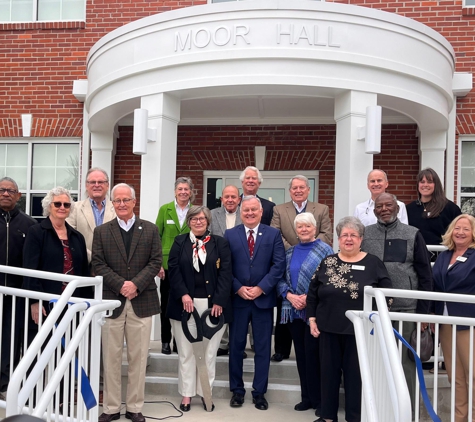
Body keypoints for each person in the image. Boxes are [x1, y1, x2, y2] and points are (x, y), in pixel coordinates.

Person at [307, 216, 392, 422]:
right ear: (338, 239)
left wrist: (377, 320)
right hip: (328, 328)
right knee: (328, 375)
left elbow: (387, 294)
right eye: (344, 235)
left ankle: (354, 417)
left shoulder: (373, 263)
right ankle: (327, 416)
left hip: (360, 331)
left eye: (353, 235)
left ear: (361, 239)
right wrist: (311, 319)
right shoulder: (328, 262)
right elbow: (312, 293)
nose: (348, 239)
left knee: (355, 376)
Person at [92, 183, 162, 422]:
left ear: (134, 202)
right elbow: (98, 265)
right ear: (112, 203)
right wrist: (122, 284)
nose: (121, 204)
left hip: (142, 301)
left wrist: (135, 284)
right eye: (117, 200)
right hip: (112, 301)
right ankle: (111, 408)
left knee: (138, 357)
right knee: (110, 358)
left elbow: (155, 262)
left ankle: (134, 407)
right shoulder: (102, 231)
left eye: (126, 200)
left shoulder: (151, 229)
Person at [361, 192, 433, 416]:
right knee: (376, 365)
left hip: (406, 310)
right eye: (379, 206)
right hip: (373, 312)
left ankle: (407, 414)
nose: (384, 209)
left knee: (406, 366)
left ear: (397, 207)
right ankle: (381, 412)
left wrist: (422, 314)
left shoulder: (413, 234)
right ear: (374, 211)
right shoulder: (366, 234)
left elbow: (425, 274)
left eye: (388, 205)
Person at [167, 206, 232, 412]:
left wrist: (220, 301)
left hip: (213, 307)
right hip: (184, 305)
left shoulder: (220, 243)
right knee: (186, 352)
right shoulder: (179, 242)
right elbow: (174, 270)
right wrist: (183, 294)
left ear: (208, 221)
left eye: (202, 218)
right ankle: (187, 394)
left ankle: (206, 392)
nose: (198, 222)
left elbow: (226, 274)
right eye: (194, 218)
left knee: (209, 353)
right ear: (188, 221)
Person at [224, 196, 285, 411]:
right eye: (246, 210)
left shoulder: (273, 233)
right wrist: (238, 287)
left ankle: (259, 393)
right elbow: (225, 266)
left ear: (261, 212)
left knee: (262, 348)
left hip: (263, 300)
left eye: (253, 210)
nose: (249, 213)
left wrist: (261, 288)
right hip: (238, 299)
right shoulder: (230, 234)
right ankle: (237, 391)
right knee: (236, 346)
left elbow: (278, 265)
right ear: (241, 213)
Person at [276, 212, 333, 417]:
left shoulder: (325, 250)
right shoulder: (289, 252)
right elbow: (280, 278)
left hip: (314, 312)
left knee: (315, 356)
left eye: (307, 226)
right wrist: (290, 296)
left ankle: (319, 400)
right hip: (293, 311)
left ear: (315, 228)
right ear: (296, 229)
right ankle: (306, 398)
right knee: (301, 355)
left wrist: (307, 297)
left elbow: (329, 279)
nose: (304, 230)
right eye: (300, 227)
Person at [271, 174, 333, 362]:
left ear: (308, 189)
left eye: (301, 187)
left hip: (313, 256)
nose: (298, 191)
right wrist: (295, 250)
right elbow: (275, 234)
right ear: (290, 191)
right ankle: (281, 349)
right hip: (289, 256)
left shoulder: (321, 209)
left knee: (312, 351)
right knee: (287, 315)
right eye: (294, 188)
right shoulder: (279, 209)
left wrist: (311, 250)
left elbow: (327, 233)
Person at [23, 186, 90, 323]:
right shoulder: (36, 232)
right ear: (49, 206)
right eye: (57, 204)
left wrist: (86, 302)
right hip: (47, 302)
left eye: (66, 204)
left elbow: (84, 272)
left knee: (71, 343)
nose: (62, 207)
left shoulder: (77, 237)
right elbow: (30, 268)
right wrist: (35, 301)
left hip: (73, 303)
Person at [433, 214, 475, 422]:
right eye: (458, 228)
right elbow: (436, 285)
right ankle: (460, 418)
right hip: (446, 322)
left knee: (473, 375)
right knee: (455, 376)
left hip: (469, 322)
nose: (460, 232)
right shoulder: (444, 255)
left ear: (473, 233)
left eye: (466, 229)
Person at [0, 177, 36, 398]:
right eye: (2, 190)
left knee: (11, 339)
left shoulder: (29, 225)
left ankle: (6, 384)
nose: (6, 193)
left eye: (11, 190)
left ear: (18, 196)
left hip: (16, 293)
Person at [155, 177, 193, 355]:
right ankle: (165, 341)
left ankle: (180, 342)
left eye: (186, 189)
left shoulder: (195, 211)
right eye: (180, 189)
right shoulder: (165, 210)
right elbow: (156, 237)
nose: (183, 192)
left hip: (189, 266)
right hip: (167, 266)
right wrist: (157, 265)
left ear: (191, 191)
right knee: (167, 305)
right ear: (175, 191)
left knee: (185, 304)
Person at [209, 185, 242, 357]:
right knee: (221, 303)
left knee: (239, 307)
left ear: (239, 199)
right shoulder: (212, 214)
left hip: (241, 267)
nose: (230, 200)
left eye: (233, 196)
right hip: (217, 268)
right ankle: (222, 343)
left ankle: (237, 344)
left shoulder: (245, 215)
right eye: (226, 196)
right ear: (221, 199)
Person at [406, 167, 461, 256]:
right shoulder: (409, 209)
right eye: (422, 182)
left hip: (443, 257)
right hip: (416, 258)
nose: (425, 185)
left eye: (430, 182)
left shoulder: (450, 208)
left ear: (436, 185)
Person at [67, 167, 116, 263]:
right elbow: (70, 237)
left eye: (101, 182)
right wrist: (92, 258)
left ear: (107, 185)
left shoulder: (117, 209)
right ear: (86, 185)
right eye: (93, 182)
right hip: (83, 263)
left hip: (111, 266)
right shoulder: (74, 208)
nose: (96, 185)